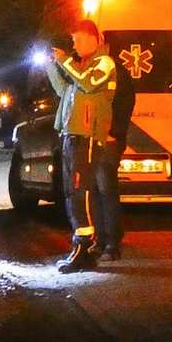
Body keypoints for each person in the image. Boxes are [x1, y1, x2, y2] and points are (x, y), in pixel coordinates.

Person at [46, 19, 117, 273]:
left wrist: (65, 61)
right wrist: (52, 67)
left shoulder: (103, 63)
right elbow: (64, 90)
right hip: (71, 135)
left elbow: (86, 83)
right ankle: (79, 244)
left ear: (91, 38)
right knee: (70, 193)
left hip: (86, 137)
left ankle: (86, 247)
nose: (73, 45)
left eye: (76, 39)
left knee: (81, 192)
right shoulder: (82, 66)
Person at [95, 40, 135, 260]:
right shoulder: (94, 70)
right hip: (94, 139)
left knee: (105, 189)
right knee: (96, 190)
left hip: (108, 141)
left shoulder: (117, 72)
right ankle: (102, 240)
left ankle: (111, 243)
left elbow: (125, 103)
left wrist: (115, 133)